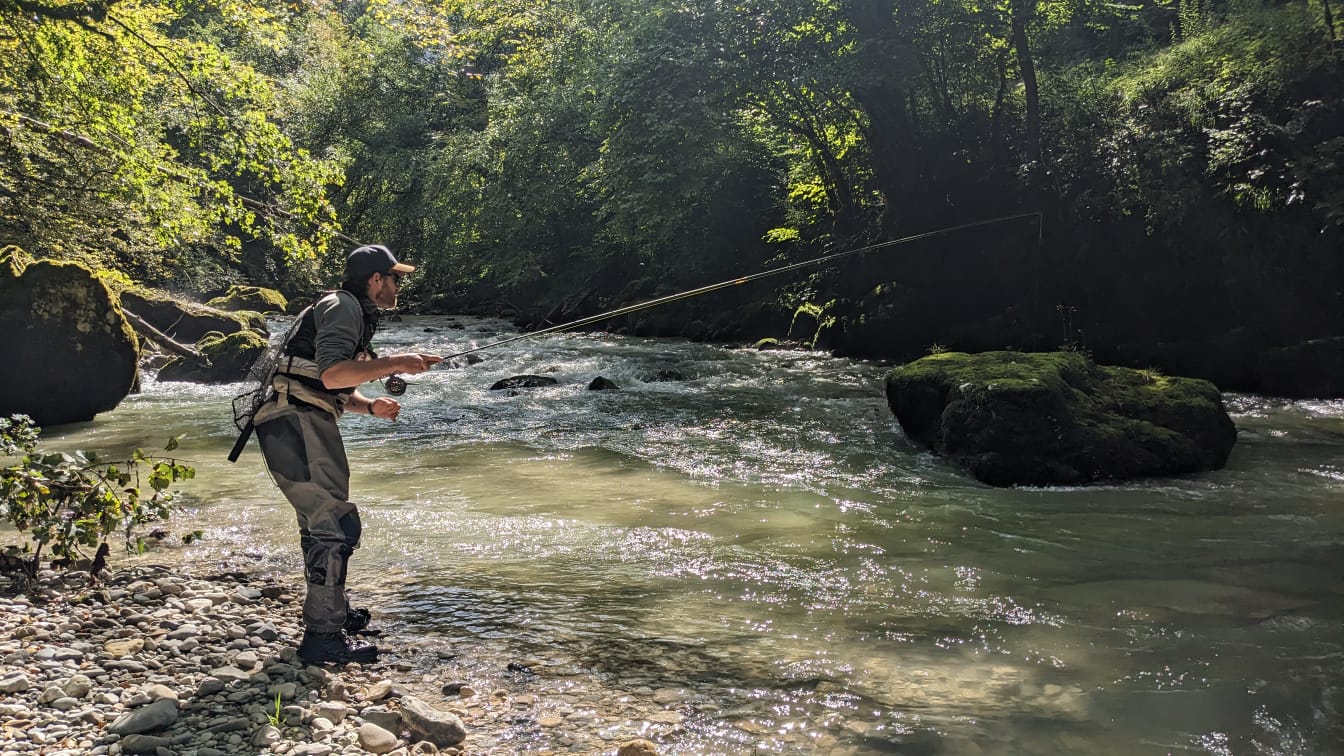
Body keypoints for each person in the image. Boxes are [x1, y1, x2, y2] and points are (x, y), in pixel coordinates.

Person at [251, 244, 442, 664]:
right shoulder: (343, 307)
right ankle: (324, 638)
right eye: (394, 278)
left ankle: (330, 611)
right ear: (375, 279)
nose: (397, 285)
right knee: (335, 525)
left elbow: (329, 382)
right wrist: (396, 362)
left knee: (321, 523)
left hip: (291, 420)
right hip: (297, 422)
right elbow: (333, 372)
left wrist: (370, 405)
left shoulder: (341, 306)